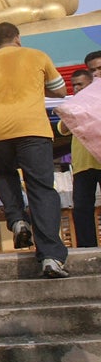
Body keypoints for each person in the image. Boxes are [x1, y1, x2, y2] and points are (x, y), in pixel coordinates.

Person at [0, 21, 69, 278]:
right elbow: (60, 90)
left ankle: (17, 220)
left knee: (3, 174)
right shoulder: (38, 56)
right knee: (41, 189)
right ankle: (50, 257)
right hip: (33, 129)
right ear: (17, 38)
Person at [57, 68, 100, 247]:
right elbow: (62, 128)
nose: (76, 88)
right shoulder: (72, 106)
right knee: (82, 209)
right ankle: (87, 248)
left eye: (80, 84)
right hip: (82, 166)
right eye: (74, 85)